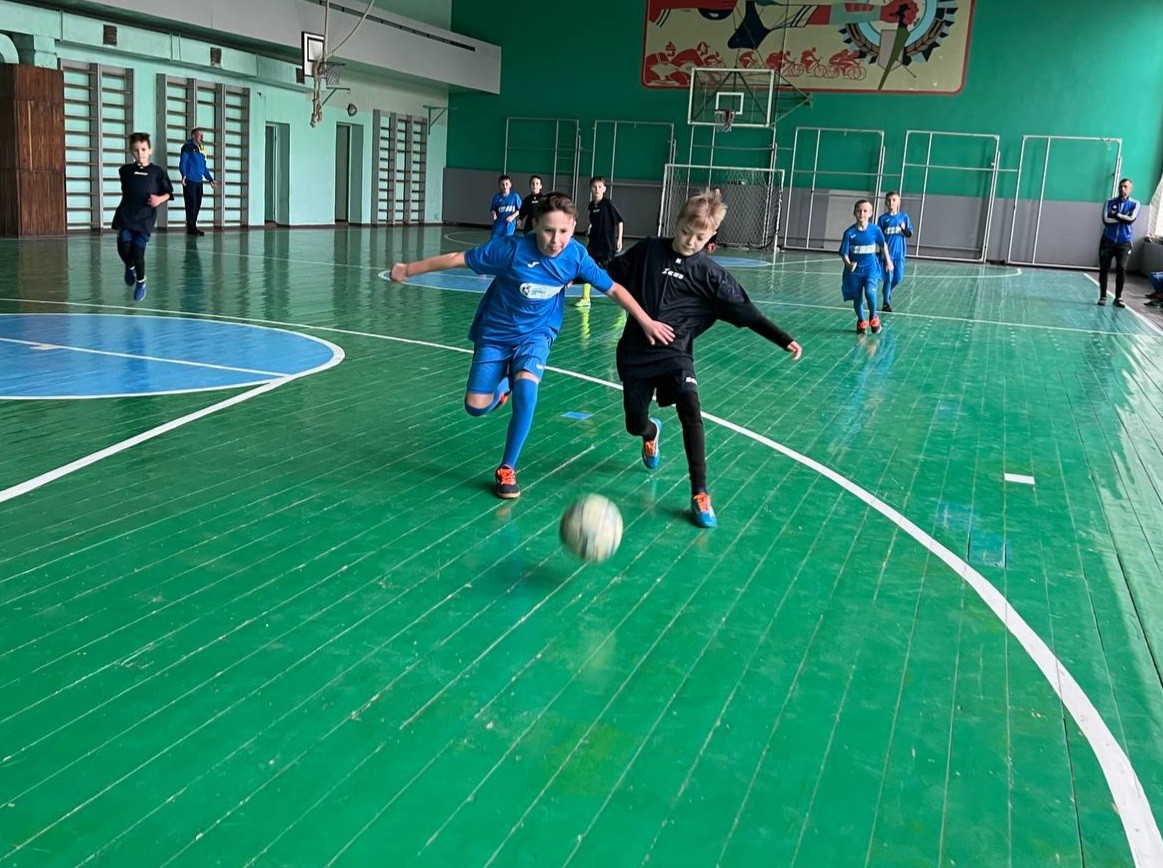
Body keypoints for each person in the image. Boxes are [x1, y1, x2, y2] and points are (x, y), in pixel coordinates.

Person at [389, 192, 674, 499]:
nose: (556, 240)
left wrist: (646, 321)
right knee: (475, 407)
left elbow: (614, 289)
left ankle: (507, 467)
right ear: (535, 224)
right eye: (548, 230)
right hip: (496, 334)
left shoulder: (575, 256)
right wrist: (408, 269)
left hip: (537, 335)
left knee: (527, 389)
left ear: (573, 227)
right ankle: (503, 388)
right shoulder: (510, 250)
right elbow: (457, 259)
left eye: (563, 231)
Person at [607, 189, 802, 528]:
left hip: (676, 354)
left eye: (700, 237)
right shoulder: (647, 251)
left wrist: (782, 338)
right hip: (636, 354)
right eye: (686, 232)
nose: (691, 241)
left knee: (691, 409)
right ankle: (651, 433)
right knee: (634, 424)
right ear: (677, 223)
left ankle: (700, 492)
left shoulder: (711, 276)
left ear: (712, 235)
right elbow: (605, 273)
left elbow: (748, 312)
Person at [112, 132, 174, 302]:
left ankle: (141, 282)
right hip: (126, 216)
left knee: (138, 253)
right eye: (136, 150)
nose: (140, 153)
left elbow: (169, 192)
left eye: (144, 149)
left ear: (150, 150)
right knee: (124, 250)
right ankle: (129, 266)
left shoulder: (157, 172)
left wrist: (159, 199)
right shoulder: (125, 171)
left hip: (145, 219)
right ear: (131, 152)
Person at [839, 198, 892, 334]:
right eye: (859, 211)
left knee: (870, 291)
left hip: (871, 269)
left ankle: (874, 317)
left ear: (870, 213)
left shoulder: (875, 230)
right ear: (854, 213)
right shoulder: (849, 233)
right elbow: (844, 254)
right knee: (857, 298)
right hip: (854, 272)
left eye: (865, 211)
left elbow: (883, 245)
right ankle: (861, 321)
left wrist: (888, 261)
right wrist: (849, 264)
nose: (862, 213)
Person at [578, 176, 624, 309]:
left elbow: (620, 221)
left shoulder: (608, 204)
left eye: (599, 187)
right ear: (591, 189)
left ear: (604, 189)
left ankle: (622, 297)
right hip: (594, 244)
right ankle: (586, 297)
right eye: (594, 187)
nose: (597, 189)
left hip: (607, 245)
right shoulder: (591, 206)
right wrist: (590, 227)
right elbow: (594, 221)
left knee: (612, 271)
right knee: (587, 267)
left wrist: (619, 239)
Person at [1097, 178, 1140, 308]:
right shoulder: (1109, 202)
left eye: (1125, 187)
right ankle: (1103, 296)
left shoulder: (1135, 204)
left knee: (1121, 268)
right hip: (1107, 242)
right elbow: (1106, 220)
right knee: (1104, 269)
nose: (1122, 189)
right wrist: (1123, 218)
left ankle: (1118, 298)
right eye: (1121, 186)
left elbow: (1131, 219)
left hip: (1124, 243)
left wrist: (1115, 215)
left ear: (1130, 189)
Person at [876, 191, 913, 312]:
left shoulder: (904, 217)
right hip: (887, 255)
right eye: (889, 200)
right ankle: (886, 303)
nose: (891, 202)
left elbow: (909, 234)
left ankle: (886, 291)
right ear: (886, 202)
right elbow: (879, 238)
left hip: (899, 254)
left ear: (898, 202)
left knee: (898, 278)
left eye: (894, 200)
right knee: (888, 278)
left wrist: (903, 228)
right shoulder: (882, 219)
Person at [178, 127, 217, 236]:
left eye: (203, 135)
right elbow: (183, 162)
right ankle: (191, 227)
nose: (202, 137)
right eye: (200, 135)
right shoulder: (187, 147)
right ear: (193, 136)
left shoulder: (202, 149)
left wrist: (210, 179)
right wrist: (183, 175)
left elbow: (203, 167)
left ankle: (193, 226)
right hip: (189, 181)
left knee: (197, 204)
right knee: (191, 204)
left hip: (199, 182)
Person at [489, 174, 522, 239]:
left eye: (506, 184)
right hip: (498, 224)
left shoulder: (514, 196)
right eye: (502, 184)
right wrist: (493, 213)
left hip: (509, 225)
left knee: (506, 241)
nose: (505, 186)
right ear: (499, 186)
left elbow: (520, 209)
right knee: (494, 241)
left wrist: (512, 217)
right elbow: (493, 209)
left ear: (510, 185)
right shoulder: (497, 197)